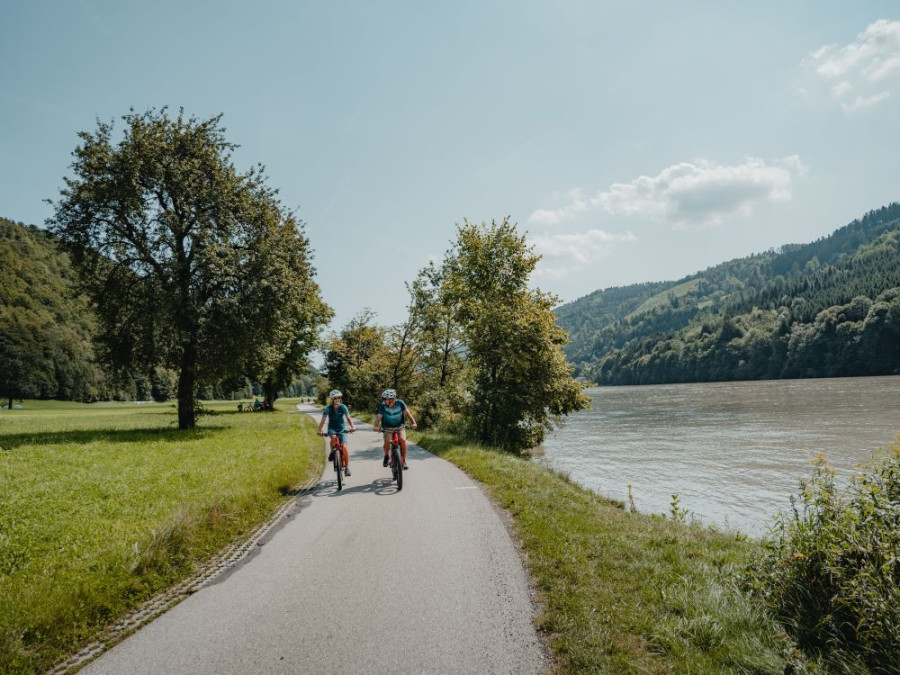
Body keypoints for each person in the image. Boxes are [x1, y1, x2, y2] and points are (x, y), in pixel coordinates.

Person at [372, 388, 417, 470]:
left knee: (402, 440)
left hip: (400, 427)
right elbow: (379, 417)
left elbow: (408, 414)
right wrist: (375, 426)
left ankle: (403, 460)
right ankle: (386, 456)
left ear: (392, 399)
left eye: (386, 399)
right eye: (384, 399)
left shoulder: (400, 403)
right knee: (387, 442)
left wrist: (413, 423)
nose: (384, 401)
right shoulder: (383, 406)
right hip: (387, 428)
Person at [317, 390, 356, 477]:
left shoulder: (343, 407)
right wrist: (319, 430)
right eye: (335, 398)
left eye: (339, 398)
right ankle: (332, 452)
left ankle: (346, 468)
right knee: (334, 438)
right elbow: (323, 420)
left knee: (345, 448)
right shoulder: (328, 408)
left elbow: (348, 417)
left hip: (342, 428)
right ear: (332, 399)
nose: (337, 399)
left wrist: (353, 426)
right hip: (332, 428)